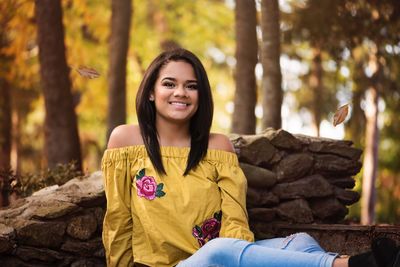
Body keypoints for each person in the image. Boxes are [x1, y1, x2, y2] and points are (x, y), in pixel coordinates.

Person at [102, 48, 400, 267]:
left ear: (200, 95)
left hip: (220, 260)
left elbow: (234, 221)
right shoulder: (126, 141)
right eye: (169, 83)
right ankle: (353, 265)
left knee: (298, 242)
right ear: (151, 92)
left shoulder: (217, 148)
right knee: (217, 251)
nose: (181, 92)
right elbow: (118, 220)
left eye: (191, 86)